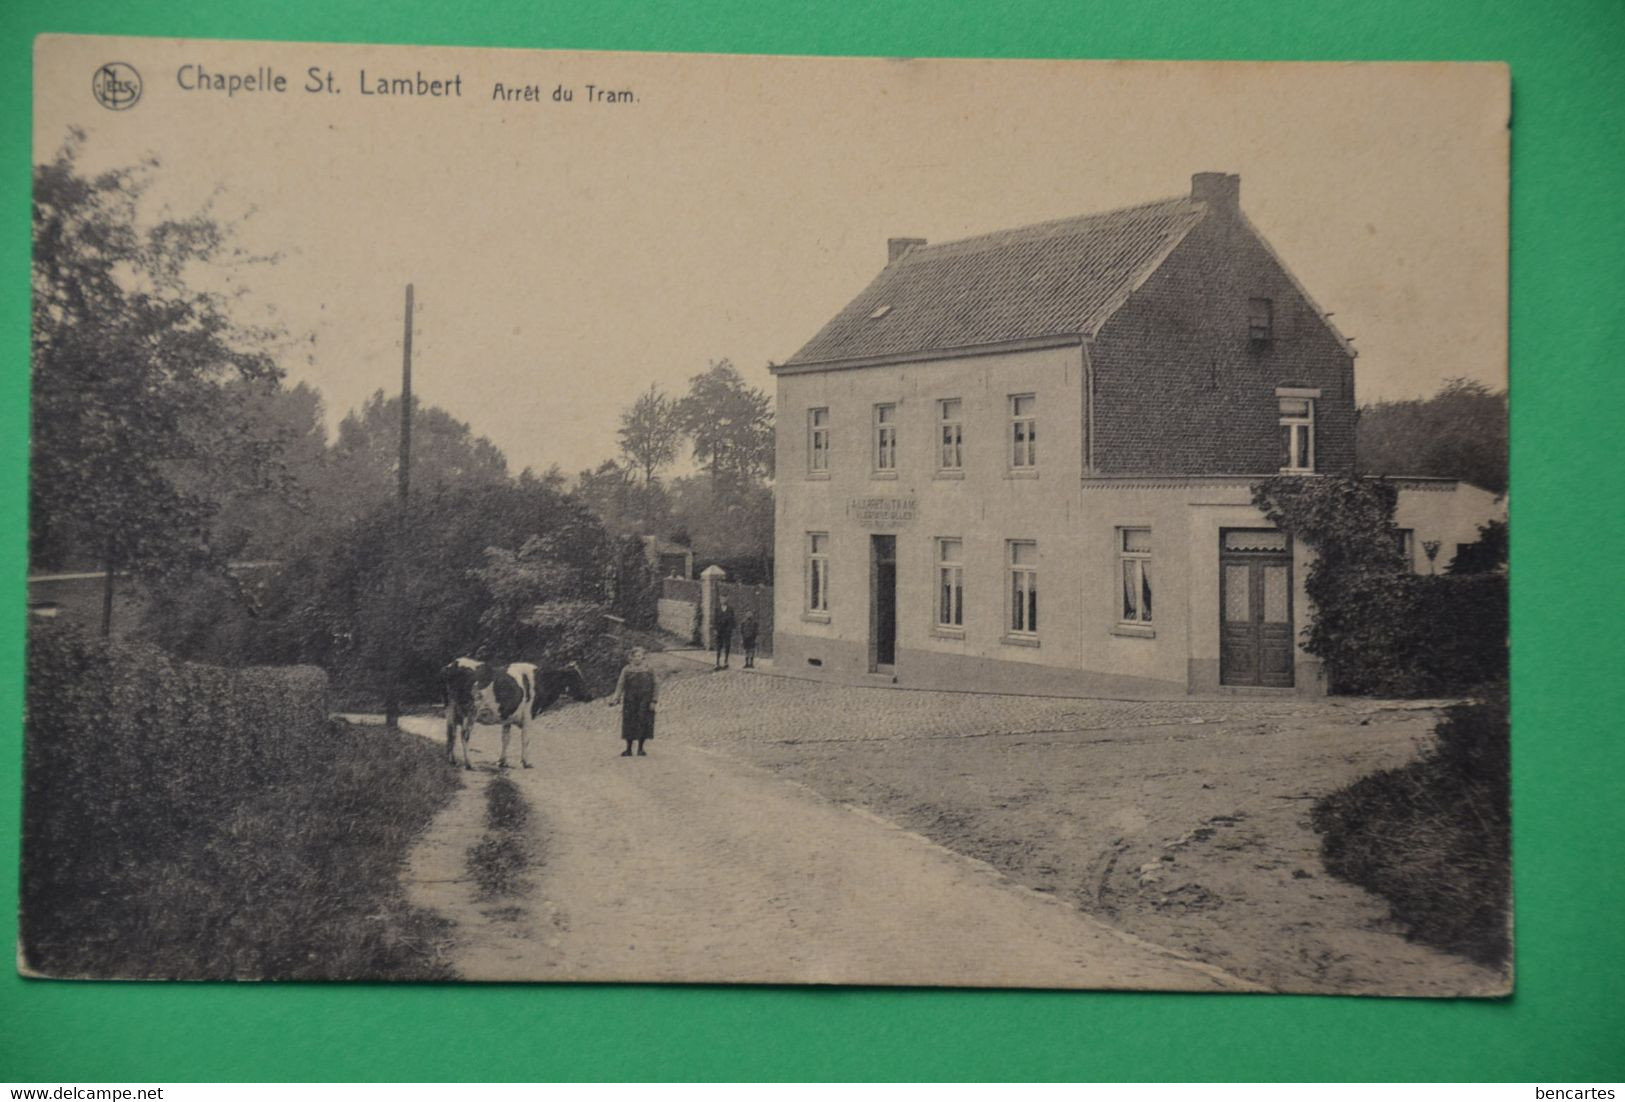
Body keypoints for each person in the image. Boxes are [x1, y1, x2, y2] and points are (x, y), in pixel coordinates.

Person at [606, 646, 657, 756]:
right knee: (629, 722)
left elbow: (656, 684)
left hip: (645, 700)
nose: (638, 658)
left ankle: (640, 748)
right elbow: (620, 684)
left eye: (640, 656)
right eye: (635, 656)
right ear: (631, 658)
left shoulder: (649, 669)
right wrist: (616, 698)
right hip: (630, 699)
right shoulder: (627, 669)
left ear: (643, 657)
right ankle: (628, 749)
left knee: (643, 721)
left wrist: (654, 700)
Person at [713, 596, 737, 670]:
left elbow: (733, 620)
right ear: (720, 600)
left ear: (727, 600)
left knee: (727, 646)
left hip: (727, 631)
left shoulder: (730, 609)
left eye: (725, 599)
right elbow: (715, 619)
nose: (723, 600)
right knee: (719, 646)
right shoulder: (717, 609)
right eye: (722, 599)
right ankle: (717, 662)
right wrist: (715, 629)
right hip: (720, 630)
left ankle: (726, 662)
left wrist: (731, 628)